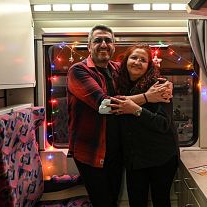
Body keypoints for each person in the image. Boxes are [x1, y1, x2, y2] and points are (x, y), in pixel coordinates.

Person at [66, 25, 172, 207]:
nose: (103, 44)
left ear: (114, 46)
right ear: (89, 46)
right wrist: (147, 97)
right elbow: (104, 105)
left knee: (114, 199)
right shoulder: (78, 71)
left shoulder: (116, 69)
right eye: (98, 40)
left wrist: (165, 84)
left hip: (116, 152)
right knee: (104, 203)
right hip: (92, 151)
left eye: (108, 40)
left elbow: (142, 71)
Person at [109, 45, 179, 207]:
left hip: (161, 156)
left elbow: (163, 124)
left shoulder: (160, 86)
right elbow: (111, 105)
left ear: (149, 66)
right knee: (136, 202)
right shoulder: (119, 85)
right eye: (134, 58)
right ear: (126, 62)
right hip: (134, 158)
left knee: (161, 201)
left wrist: (137, 110)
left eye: (143, 60)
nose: (137, 62)